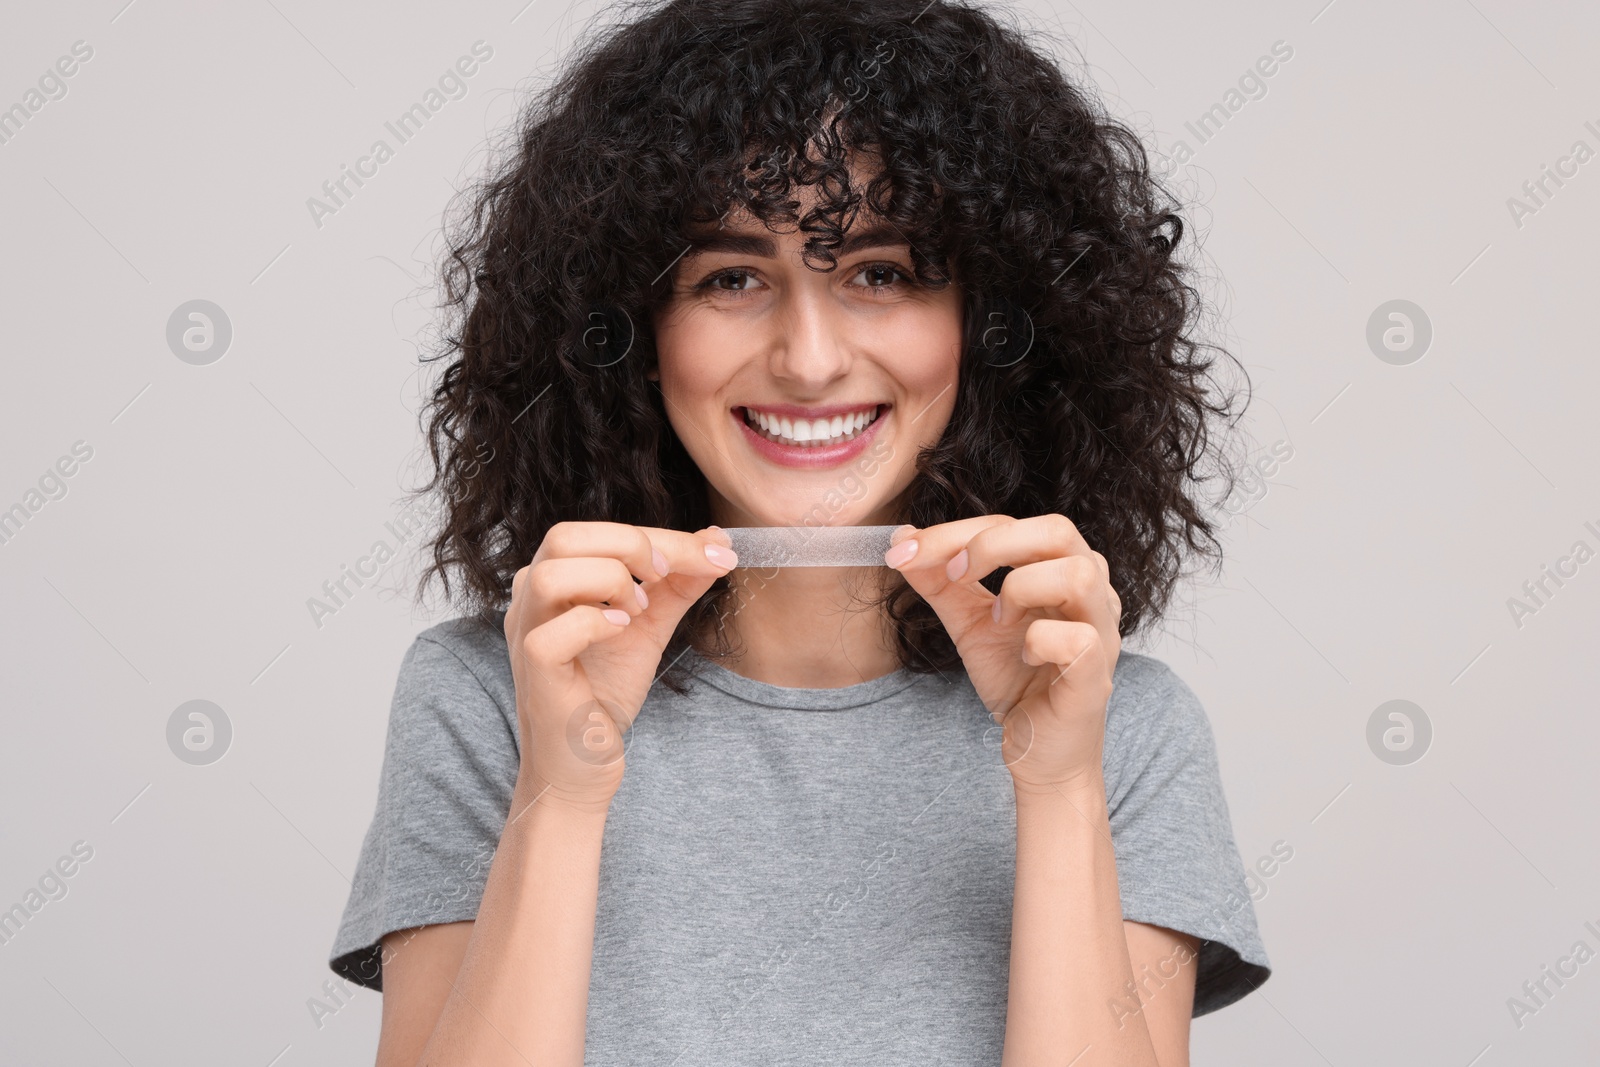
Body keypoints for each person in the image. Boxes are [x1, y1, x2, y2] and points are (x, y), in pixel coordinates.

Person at [328, 0, 1271, 1062]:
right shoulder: (491, 697)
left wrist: (1055, 784)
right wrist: (561, 785)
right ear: (631, 332)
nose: (810, 359)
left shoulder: (1124, 728)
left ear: (990, 323)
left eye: (880, 272)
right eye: (731, 277)